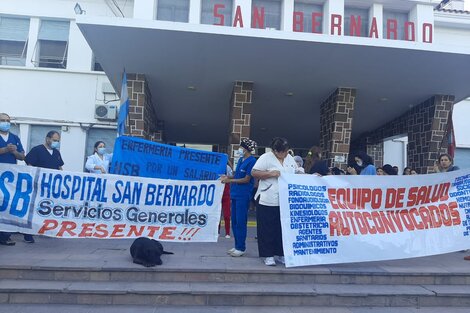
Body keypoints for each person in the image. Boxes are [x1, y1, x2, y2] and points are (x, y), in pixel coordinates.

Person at [251, 137, 299, 266]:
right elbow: (254, 172)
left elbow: (297, 172)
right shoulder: (266, 157)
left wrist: (312, 177)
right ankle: (268, 255)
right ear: (274, 151)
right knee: (267, 228)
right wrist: (270, 174)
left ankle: (281, 253)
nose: (283, 154)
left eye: (285, 151)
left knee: (282, 228)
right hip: (267, 198)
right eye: (280, 152)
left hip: (284, 200)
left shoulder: (290, 159)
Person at [24, 130, 65, 243]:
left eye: (58, 141)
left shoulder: (56, 153)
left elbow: (59, 167)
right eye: (54, 140)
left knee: (47, 209)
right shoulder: (37, 150)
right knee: (34, 208)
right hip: (38, 185)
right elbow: (29, 164)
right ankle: (28, 233)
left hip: (51, 187)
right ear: (48, 139)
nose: (56, 142)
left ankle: (46, 229)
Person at [221, 138, 257, 257]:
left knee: (241, 221)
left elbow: (246, 179)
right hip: (235, 194)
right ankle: (237, 245)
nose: (239, 149)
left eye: (241, 147)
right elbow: (236, 174)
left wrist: (230, 180)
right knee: (235, 221)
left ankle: (241, 247)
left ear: (246, 149)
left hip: (243, 195)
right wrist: (227, 176)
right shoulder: (241, 159)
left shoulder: (252, 161)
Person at [0, 113, 25, 246]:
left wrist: (14, 152)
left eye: (8, 120)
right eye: (3, 120)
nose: (6, 123)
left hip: (9, 179)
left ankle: (5, 235)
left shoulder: (15, 138)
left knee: (7, 205)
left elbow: (22, 156)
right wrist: (4, 150)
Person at [219, 162, 232, 239]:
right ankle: (217, 232)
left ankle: (227, 232)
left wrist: (226, 177)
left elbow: (232, 177)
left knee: (227, 215)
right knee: (217, 215)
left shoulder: (227, 168)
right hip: (218, 194)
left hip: (226, 194)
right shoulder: (215, 167)